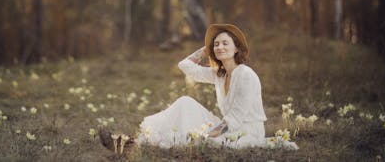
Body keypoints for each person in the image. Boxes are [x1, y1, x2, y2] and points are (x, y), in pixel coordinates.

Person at [100, 23, 298, 151]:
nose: (219, 47)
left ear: (237, 48)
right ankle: (132, 143)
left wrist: (206, 135)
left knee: (198, 140)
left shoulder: (246, 75)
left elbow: (234, 119)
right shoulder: (219, 74)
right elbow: (185, 66)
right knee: (185, 103)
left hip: (245, 133)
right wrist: (204, 50)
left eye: (225, 43)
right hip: (227, 127)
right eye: (216, 44)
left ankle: (135, 146)